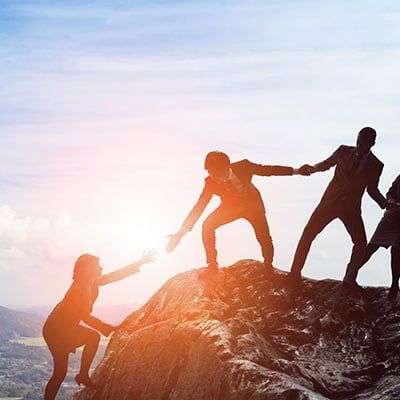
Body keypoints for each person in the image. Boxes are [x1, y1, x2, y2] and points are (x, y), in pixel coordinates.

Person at [166, 151, 309, 280]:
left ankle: (268, 266)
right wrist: (179, 234)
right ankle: (212, 266)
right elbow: (199, 206)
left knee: (263, 236)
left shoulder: (244, 166)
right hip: (230, 207)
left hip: (252, 205)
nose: (213, 177)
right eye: (210, 173)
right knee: (207, 226)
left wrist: (297, 171)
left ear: (226, 167)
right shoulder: (209, 183)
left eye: (216, 173)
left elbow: (268, 170)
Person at [43, 250, 156, 400]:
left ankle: (83, 375)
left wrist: (140, 262)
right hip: (55, 331)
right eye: (97, 266)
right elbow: (86, 318)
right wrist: (110, 328)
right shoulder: (77, 291)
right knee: (60, 372)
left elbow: (115, 275)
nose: (101, 268)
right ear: (86, 270)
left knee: (89, 341)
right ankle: (78, 378)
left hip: (67, 327)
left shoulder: (92, 282)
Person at [286, 127, 387, 285]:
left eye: (364, 143)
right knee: (308, 234)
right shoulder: (343, 151)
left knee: (360, 243)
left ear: (372, 144)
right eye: (358, 140)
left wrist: (385, 203)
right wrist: (312, 169)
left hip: (351, 210)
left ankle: (349, 280)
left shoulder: (376, 165)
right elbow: (327, 164)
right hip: (328, 204)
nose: (359, 145)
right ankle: (294, 274)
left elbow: (372, 190)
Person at [343, 175, 400, 298]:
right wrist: (391, 200)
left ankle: (395, 285)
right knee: (371, 247)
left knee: (397, 251)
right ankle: (349, 276)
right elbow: (391, 191)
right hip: (391, 216)